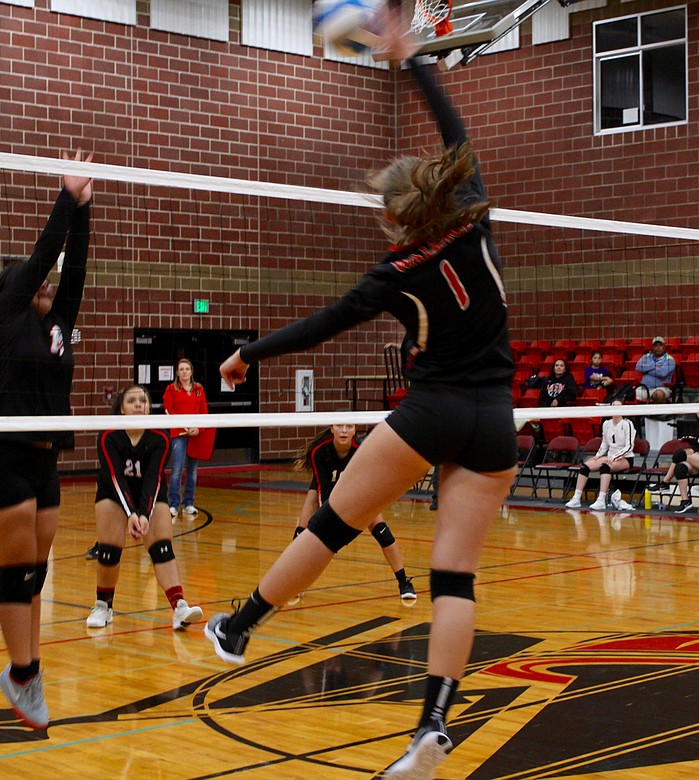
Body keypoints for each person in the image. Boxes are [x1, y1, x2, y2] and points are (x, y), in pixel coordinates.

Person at [205, 26, 516, 780]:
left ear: (399, 215)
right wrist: (408, 59)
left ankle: (242, 627)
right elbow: (456, 133)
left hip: (435, 406)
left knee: (334, 521)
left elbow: (319, 327)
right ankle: (433, 725)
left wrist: (248, 352)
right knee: (455, 579)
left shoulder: (393, 273)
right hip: (498, 418)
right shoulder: (475, 217)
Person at [0, 153, 92, 731]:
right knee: (17, 572)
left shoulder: (57, 324)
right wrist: (64, 198)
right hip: (3, 459)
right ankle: (21, 674)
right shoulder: (8, 312)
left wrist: (86, 211)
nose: (46, 284)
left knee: (37, 572)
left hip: (46, 461)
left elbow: (75, 269)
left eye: (46, 284)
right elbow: (44, 257)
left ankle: (30, 672)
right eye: (34, 281)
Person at [86, 385, 204, 631]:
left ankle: (179, 606)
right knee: (109, 550)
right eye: (131, 401)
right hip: (113, 493)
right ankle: (103, 605)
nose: (138, 404)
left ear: (149, 407)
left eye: (142, 400)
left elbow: (154, 478)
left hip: (149, 494)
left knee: (162, 547)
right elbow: (116, 478)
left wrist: (144, 514)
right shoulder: (108, 435)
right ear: (121, 408)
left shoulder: (159, 437)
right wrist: (131, 514)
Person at [288, 423, 417, 603]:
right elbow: (322, 488)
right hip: (327, 491)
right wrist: (330, 520)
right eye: (339, 426)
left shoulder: (361, 451)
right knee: (301, 534)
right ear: (331, 429)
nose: (344, 430)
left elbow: (368, 486)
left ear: (355, 430)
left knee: (383, 533)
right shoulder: (319, 451)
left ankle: (404, 583)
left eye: (349, 426)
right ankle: (295, 582)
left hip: (357, 493)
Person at [565, 401, 636, 511]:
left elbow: (629, 446)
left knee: (605, 466)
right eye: (613, 406)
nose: (615, 409)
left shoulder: (627, 424)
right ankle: (576, 498)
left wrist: (614, 457)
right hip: (610, 456)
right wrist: (598, 455)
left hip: (625, 458)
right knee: (585, 466)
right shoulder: (607, 424)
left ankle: (601, 500)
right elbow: (604, 443)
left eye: (618, 407)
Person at [163, 358, 208, 517]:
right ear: (177, 372)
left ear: (191, 371)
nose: (184, 372)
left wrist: (198, 428)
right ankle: (173, 504)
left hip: (195, 434)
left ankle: (189, 503)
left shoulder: (199, 389)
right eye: (181, 369)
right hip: (179, 434)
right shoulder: (170, 389)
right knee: (177, 469)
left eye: (186, 369)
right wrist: (184, 427)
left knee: (193, 470)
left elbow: (204, 412)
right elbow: (169, 410)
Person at [654, 409, 699, 513]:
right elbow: (697, 441)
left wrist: (696, 451)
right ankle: (685, 501)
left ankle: (665, 482)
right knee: (680, 467)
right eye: (698, 408)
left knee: (680, 453)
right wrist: (687, 439)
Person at [634, 336, 675, 403]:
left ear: (664, 347)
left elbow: (662, 373)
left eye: (660, 345)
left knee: (659, 395)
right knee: (629, 394)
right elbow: (638, 367)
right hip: (644, 388)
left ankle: (659, 413)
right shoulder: (646, 357)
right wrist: (655, 367)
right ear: (652, 347)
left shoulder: (669, 359)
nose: (658, 347)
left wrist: (646, 370)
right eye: (655, 345)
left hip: (660, 388)